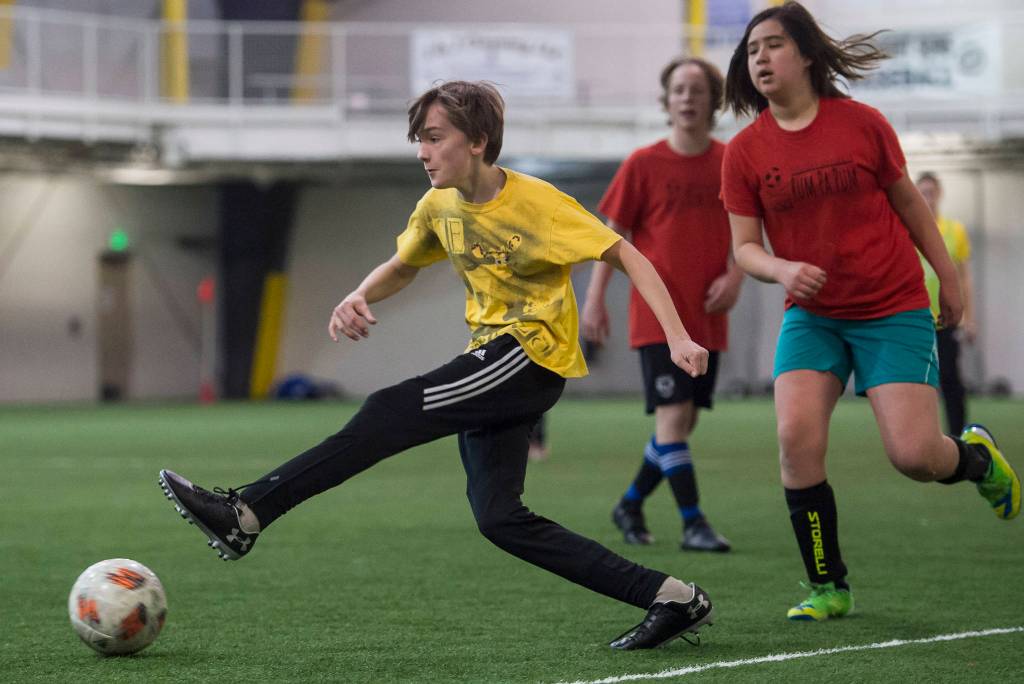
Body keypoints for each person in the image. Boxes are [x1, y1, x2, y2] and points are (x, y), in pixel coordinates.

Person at [158, 81, 715, 650]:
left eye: (433, 138)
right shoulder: (438, 206)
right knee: (500, 519)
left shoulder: (538, 204)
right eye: (417, 140)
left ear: (476, 141)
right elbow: (405, 263)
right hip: (493, 356)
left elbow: (626, 253)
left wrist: (676, 337)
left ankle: (247, 512)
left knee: (388, 408)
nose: (422, 152)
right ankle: (671, 597)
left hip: (529, 353)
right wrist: (360, 294)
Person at [720, 1, 1019, 622]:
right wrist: (783, 270)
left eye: (773, 45)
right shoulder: (744, 153)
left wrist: (949, 278)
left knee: (914, 457)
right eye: (752, 51)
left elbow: (910, 204)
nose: (761, 59)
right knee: (795, 439)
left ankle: (976, 458)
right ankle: (829, 586)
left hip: (892, 306)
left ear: (805, 55)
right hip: (813, 315)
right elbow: (745, 248)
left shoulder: (862, 124)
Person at [582, 56, 742, 553]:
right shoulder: (643, 164)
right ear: (666, 101)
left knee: (683, 422)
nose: (688, 98)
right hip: (657, 317)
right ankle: (693, 522)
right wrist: (594, 302)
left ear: (713, 101)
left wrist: (737, 277)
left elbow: (748, 231)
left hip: (710, 316)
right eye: (679, 90)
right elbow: (611, 238)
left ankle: (629, 504)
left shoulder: (730, 161)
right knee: (674, 420)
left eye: (698, 90)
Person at [916, 171, 975, 435]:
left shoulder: (955, 231)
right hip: (914, 318)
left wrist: (969, 319)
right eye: (922, 193)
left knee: (951, 379)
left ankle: (959, 436)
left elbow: (964, 278)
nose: (927, 198)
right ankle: (921, 436)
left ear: (939, 194)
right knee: (916, 382)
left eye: (931, 192)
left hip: (946, 318)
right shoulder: (908, 228)